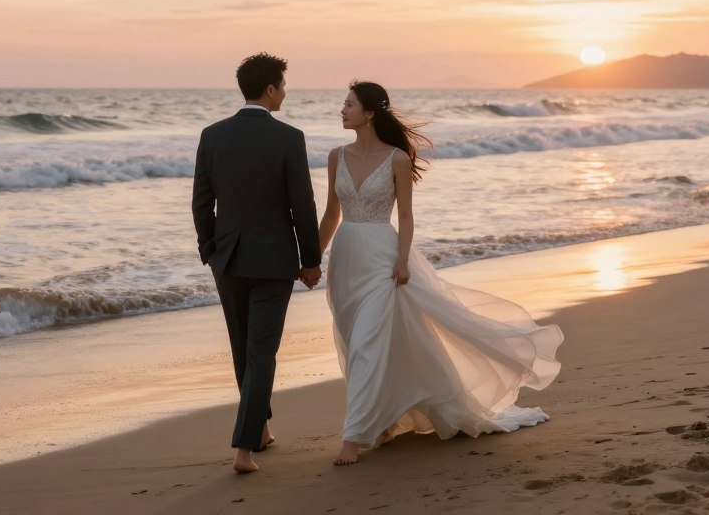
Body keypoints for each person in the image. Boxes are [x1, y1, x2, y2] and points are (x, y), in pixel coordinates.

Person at [319, 81, 564, 466]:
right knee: (357, 343)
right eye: (343, 104)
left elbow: (405, 217)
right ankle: (382, 420)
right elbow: (332, 214)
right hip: (346, 259)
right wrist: (313, 259)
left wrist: (402, 260)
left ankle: (354, 436)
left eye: (349, 105)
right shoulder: (336, 156)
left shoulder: (397, 158)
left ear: (369, 113)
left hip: (383, 258)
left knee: (367, 342)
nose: (342, 110)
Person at [192, 53, 322, 474]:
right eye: (282, 86)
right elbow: (302, 205)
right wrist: (311, 260)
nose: (285, 93)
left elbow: (201, 202)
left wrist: (210, 248)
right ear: (269, 89)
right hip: (274, 260)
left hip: (227, 258)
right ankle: (244, 450)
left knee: (242, 346)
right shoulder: (289, 138)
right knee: (261, 351)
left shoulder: (212, 135)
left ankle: (261, 430)